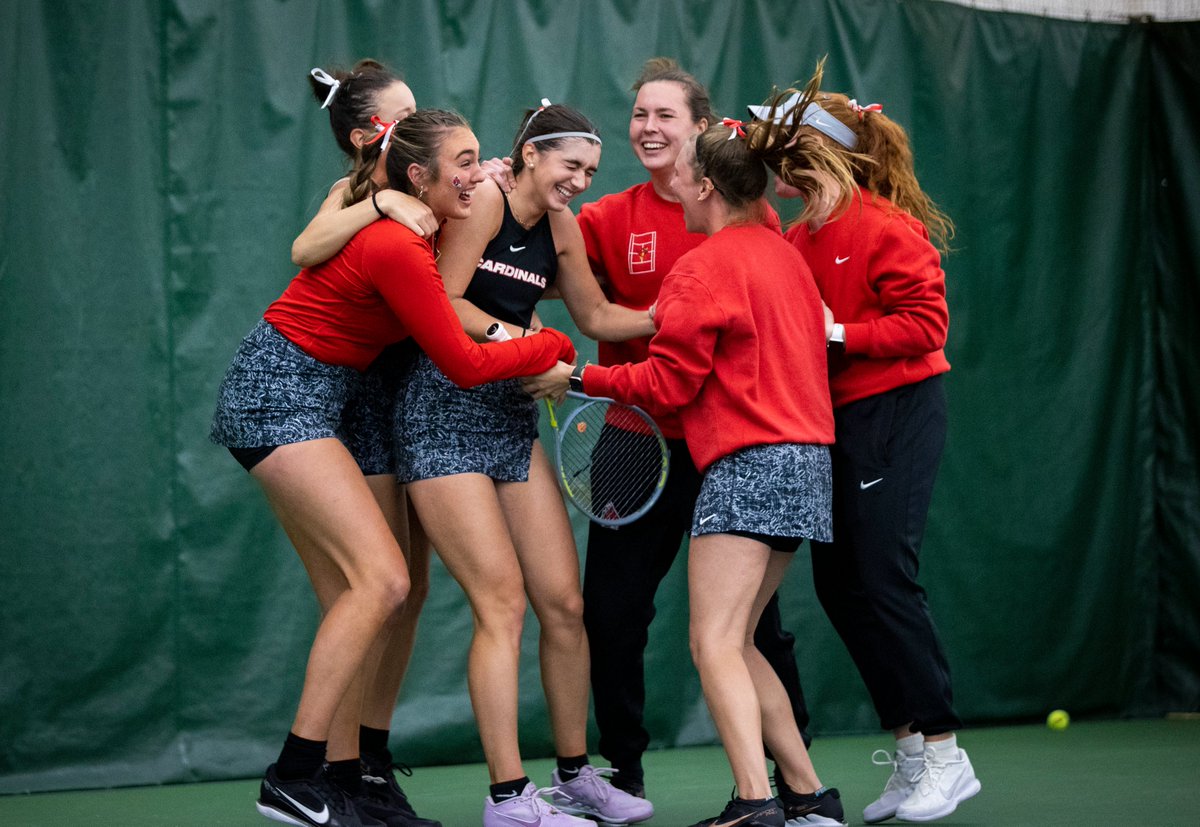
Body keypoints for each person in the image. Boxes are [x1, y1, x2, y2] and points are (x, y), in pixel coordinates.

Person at [210, 108, 577, 827]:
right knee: (382, 580)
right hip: (278, 397)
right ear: (417, 174)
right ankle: (292, 775)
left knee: (370, 593)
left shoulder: (434, 222)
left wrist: (492, 190)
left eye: (483, 158)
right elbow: (465, 363)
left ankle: (351, 780)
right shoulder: (396, 243)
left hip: (338, 400)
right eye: (464, 162)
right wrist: (548, 345)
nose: (481, 173)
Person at [568, 75, 862, 827]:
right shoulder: (783, 253)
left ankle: (754, 802)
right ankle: (806, 792)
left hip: (748, 465)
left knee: (713, 642)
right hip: (809, 466)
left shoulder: (702, 265)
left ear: (702, 184)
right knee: (742, 640)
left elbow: (667, 386)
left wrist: (577, 375)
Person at [397, 102, 656, 827]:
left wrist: (674, 315)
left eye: (592, 171)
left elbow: (599, 317)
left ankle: (574, 774)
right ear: (531, 156)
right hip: (441, 411)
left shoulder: (564, 228)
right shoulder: (483, 204)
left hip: (508, 419)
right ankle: (509, 798)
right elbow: (441, 299)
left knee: (564, 605)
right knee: (502, 605)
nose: (581, 180)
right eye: (571, 165)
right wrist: (525, 339)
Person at [755, 73, 981, 823]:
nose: (770, 164)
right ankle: (912, 751)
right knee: (840, 587)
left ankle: (949, 755)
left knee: (883, 577)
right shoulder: (797, 237)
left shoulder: (885, 226)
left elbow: (927, 326)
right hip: (836, 423)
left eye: (782, 150)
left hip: (898, 413)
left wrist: (837, 332)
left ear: (811, 157)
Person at [293, 61, 440, 827]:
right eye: (403, 112)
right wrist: (379, 198)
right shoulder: (357, 194)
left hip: (418, 399)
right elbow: (305, 246)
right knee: (375, 592)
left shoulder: (437, 175)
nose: (420, 119)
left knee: (410, 591)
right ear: (363, 136)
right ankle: (341, 770)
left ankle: (370, 762)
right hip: (358, 404)